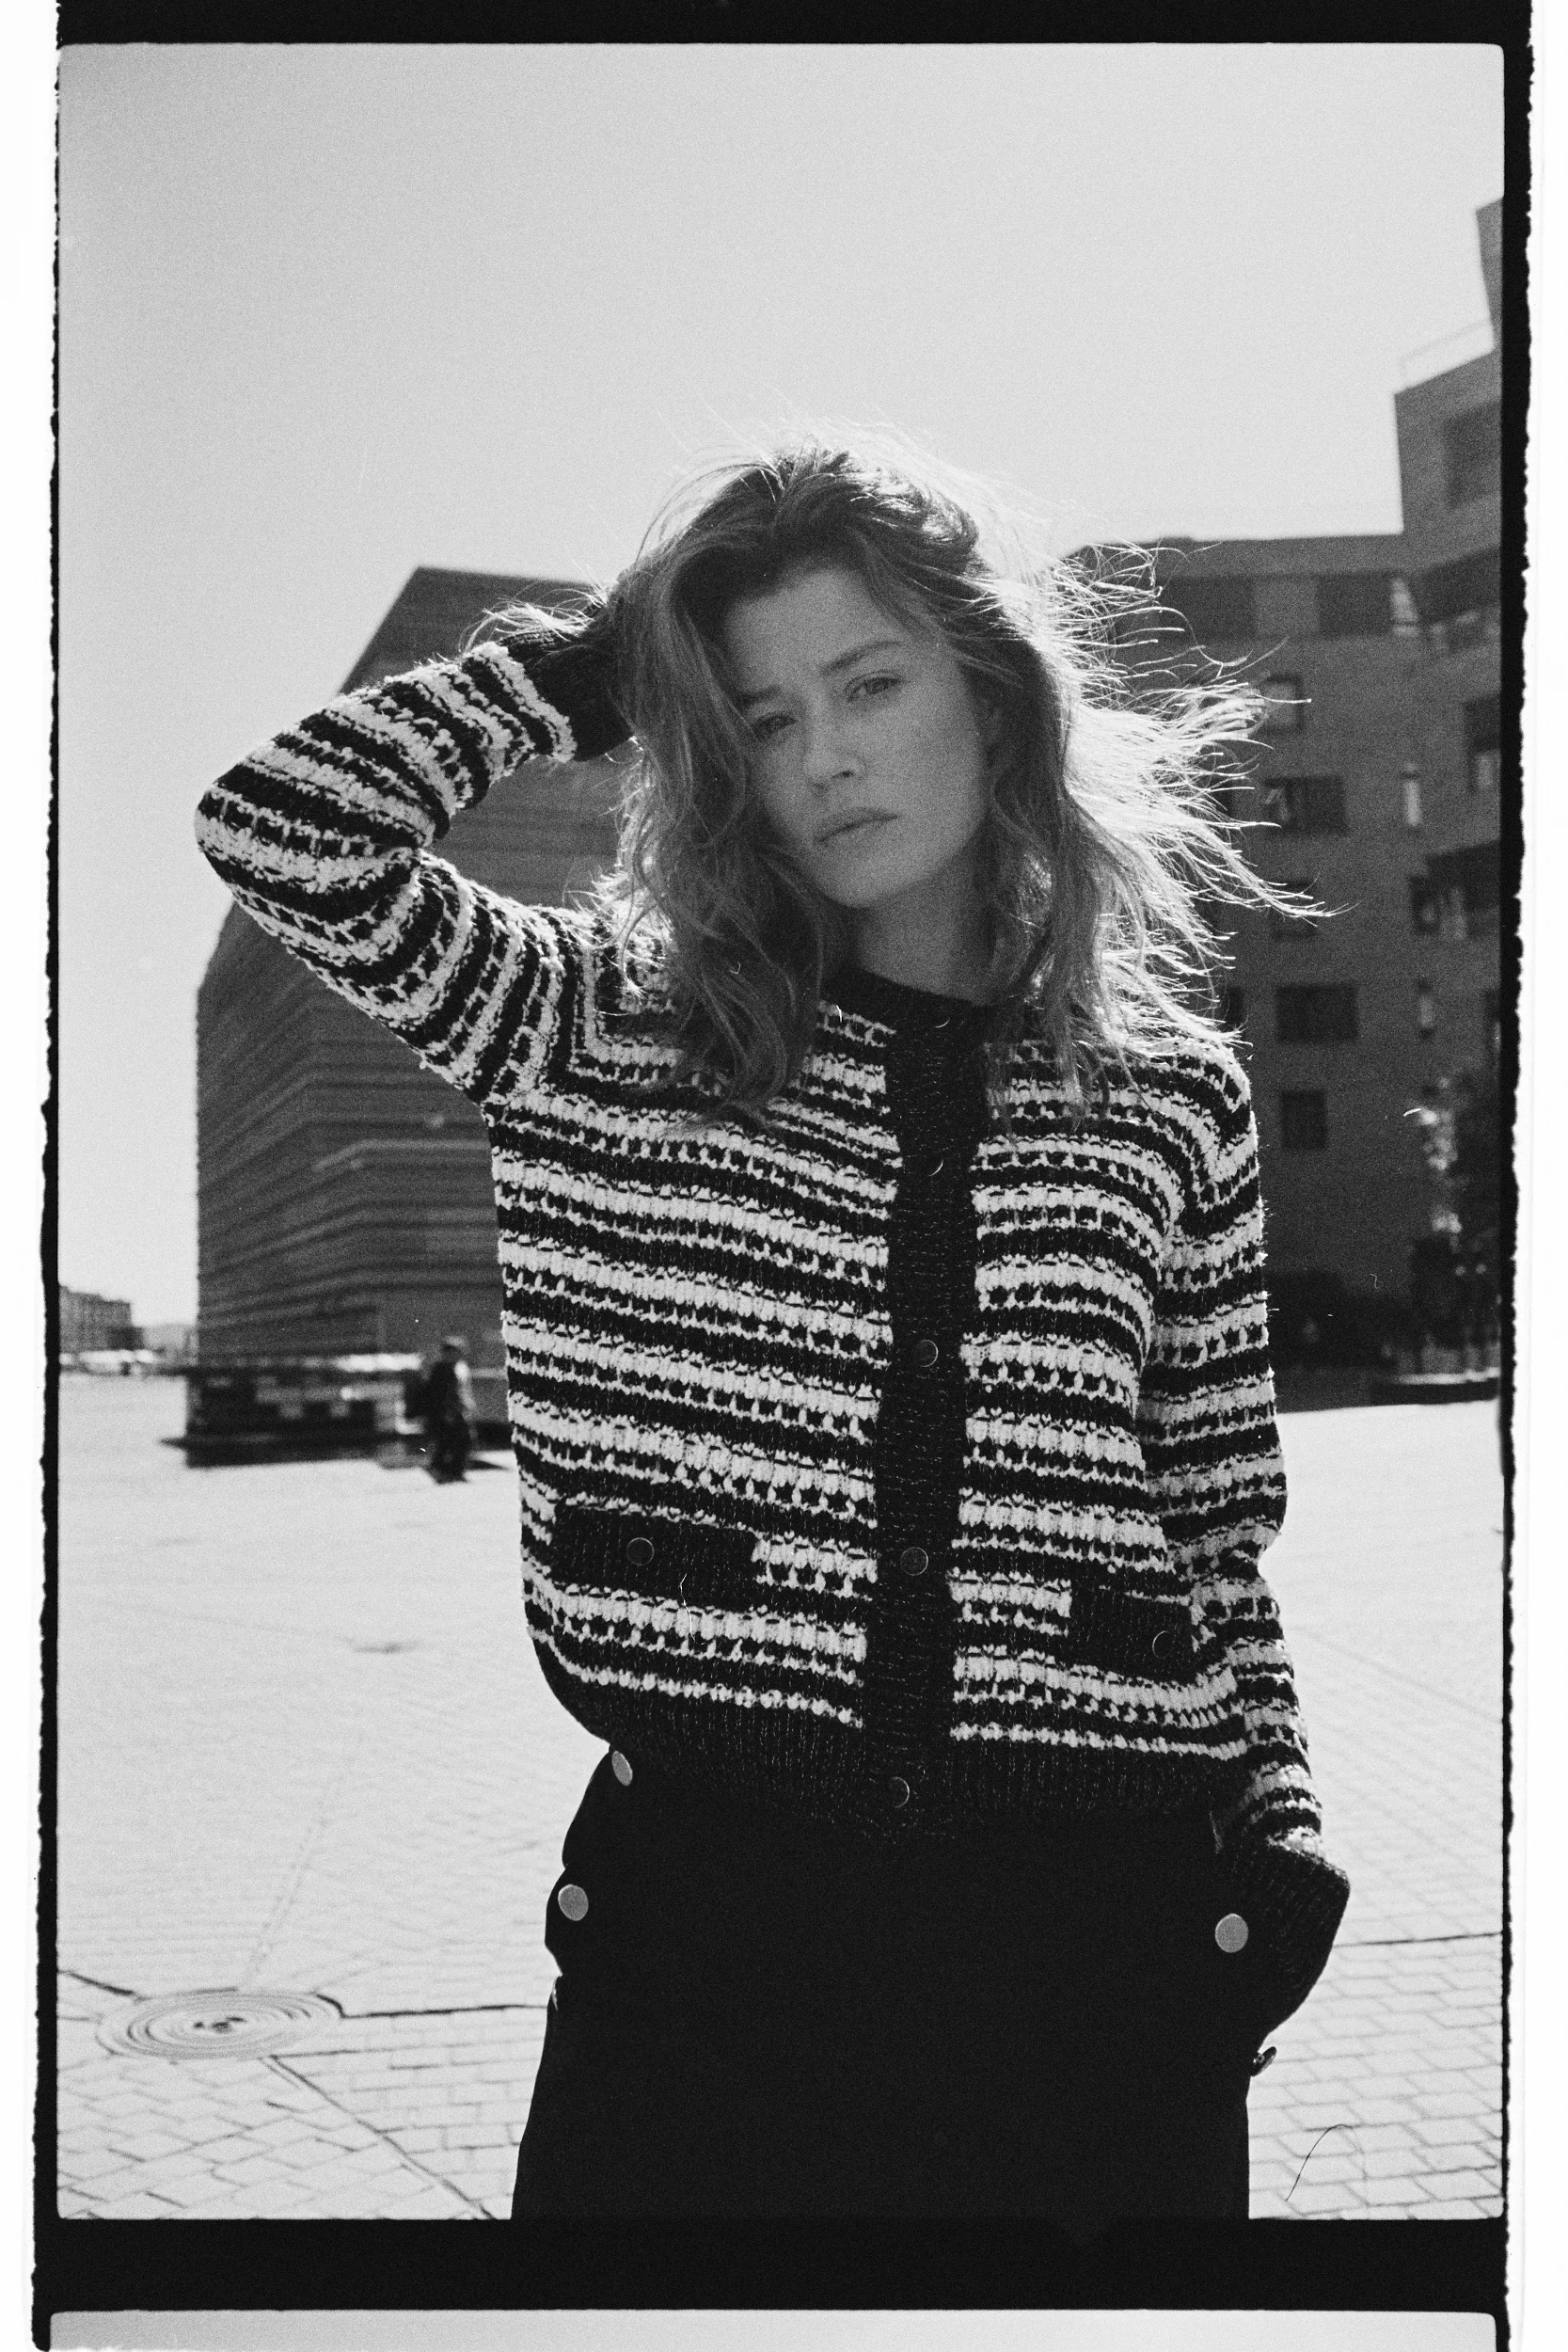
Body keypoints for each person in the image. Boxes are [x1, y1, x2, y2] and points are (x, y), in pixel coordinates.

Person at [196, 438, 1349, 2226]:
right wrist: (612, 661)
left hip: (1104, 1953)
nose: (822, 757)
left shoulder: (1165, 1097)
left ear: (991, 691)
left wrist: (1275, 1839)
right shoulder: (594, 1028)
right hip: (708, 1962)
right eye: (759, 717)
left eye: (870, 685)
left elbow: (1209, 1516)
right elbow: (283, 829)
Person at [420, 1334, 476, 1483]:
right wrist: (447, 1412)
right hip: (447, 1412)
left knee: (460, 1440)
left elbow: (463, 1389)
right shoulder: (441, 1369)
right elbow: (439, 1394)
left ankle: (452, 1471)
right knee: (448, 1441)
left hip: (458, 1410)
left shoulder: (460, 1367)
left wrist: (468, 1404)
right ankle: (445, 1471)